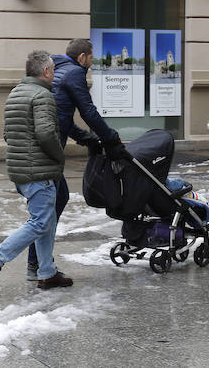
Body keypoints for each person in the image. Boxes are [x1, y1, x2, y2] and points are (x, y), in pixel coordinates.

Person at [24, 38, 127, 281]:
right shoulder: (75, 73)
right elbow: (88, 112)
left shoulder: (58, 71)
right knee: (46, 209)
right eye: (91, 58)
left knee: (55, 200)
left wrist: (87, 139)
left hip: (43, 150)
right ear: (82, 57)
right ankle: (24, 261)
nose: (91, 63)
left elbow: (64, 118)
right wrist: (111, 139)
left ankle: (37, 262)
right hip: (47, 152)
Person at [0, 50, 73, 294]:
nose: (54, 73)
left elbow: (9, 135)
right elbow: (45, 134)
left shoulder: (16, 93)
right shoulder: (43, 95)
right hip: (39, 171)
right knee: (40, 222)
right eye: (52, 69)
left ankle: (47, 273)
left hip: (21, 170)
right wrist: (59, 156)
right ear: (46, 71)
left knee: (46, 221)